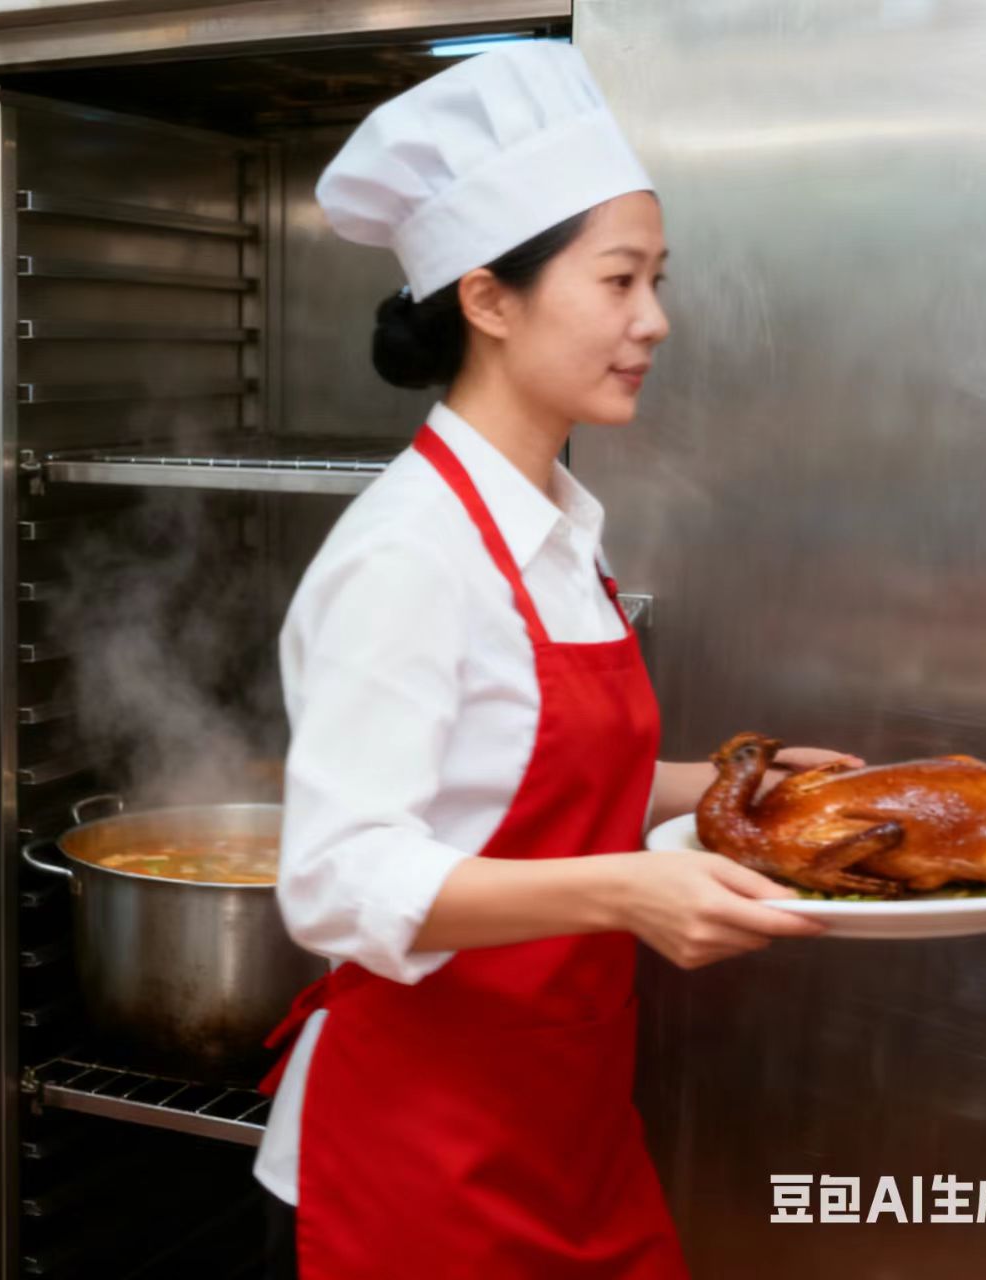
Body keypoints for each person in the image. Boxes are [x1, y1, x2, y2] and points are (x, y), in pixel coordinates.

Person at [255, 41, 853, 1279]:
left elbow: (527, 787)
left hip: (562, 1119)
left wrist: (740, 789)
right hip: (415, 1153)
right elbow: (335, 878)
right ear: (487, 298)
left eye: (655, 279)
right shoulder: (409, 554)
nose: (653, 320)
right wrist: (628, 890)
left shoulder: (553, 527)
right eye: (618, 280)